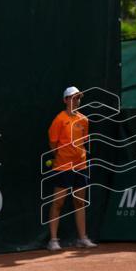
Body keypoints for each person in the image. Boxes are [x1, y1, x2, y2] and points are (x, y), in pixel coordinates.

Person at [46, 87, 98, 251]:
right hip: (63, 166)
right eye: (73, 98)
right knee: (58, 202)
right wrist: (62, 157)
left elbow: (83, 141)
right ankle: (53, 239)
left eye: (78, 98)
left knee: (80, 202)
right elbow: (53, 144)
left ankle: (82, 238)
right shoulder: (59, 120)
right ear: (65, 100)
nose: (76, 101)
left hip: (80, 166)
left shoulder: (84, 120)